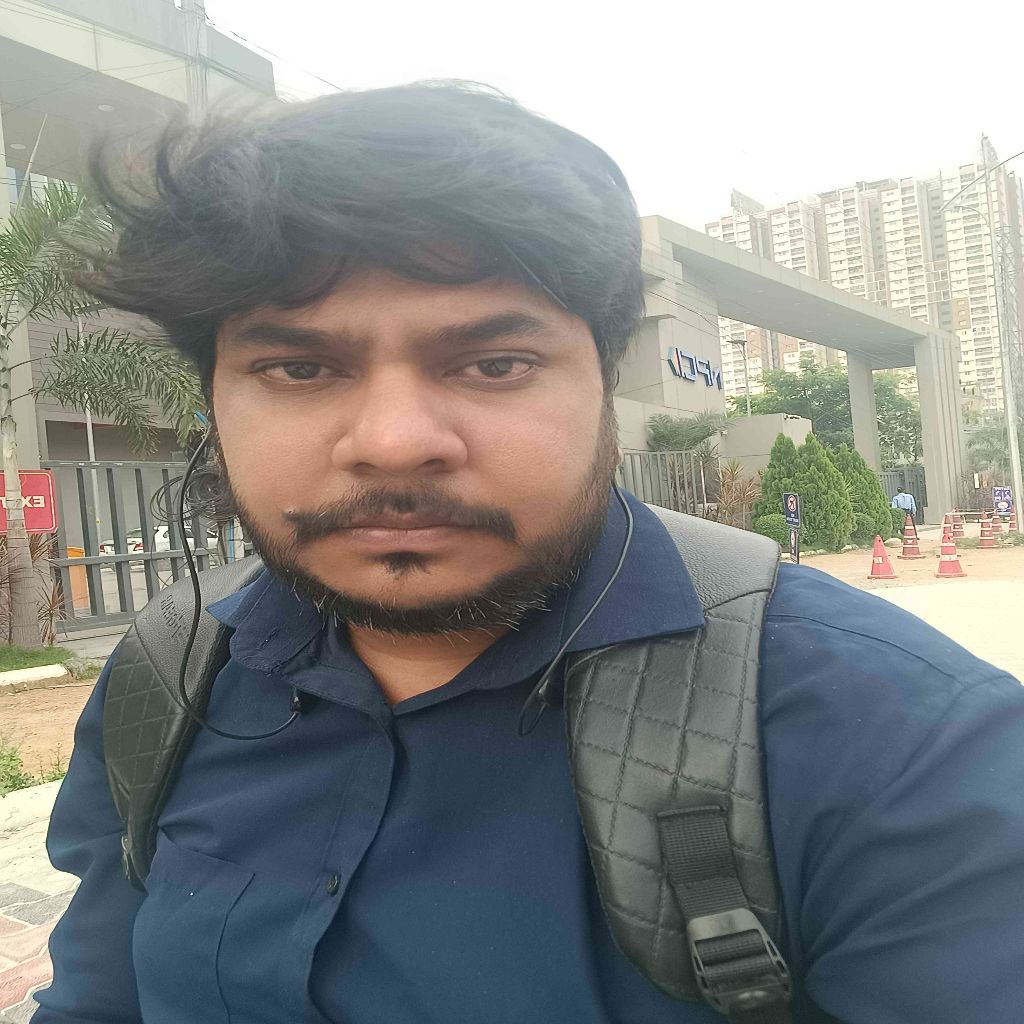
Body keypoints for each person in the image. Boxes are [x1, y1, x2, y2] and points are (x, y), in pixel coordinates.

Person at [34, 83, 1024, 1024]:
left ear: (604, 380)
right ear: (214, 398)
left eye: (494, 363)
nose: (394, 440)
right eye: (298, 367)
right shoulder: (171, 675)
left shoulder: (895, 741)